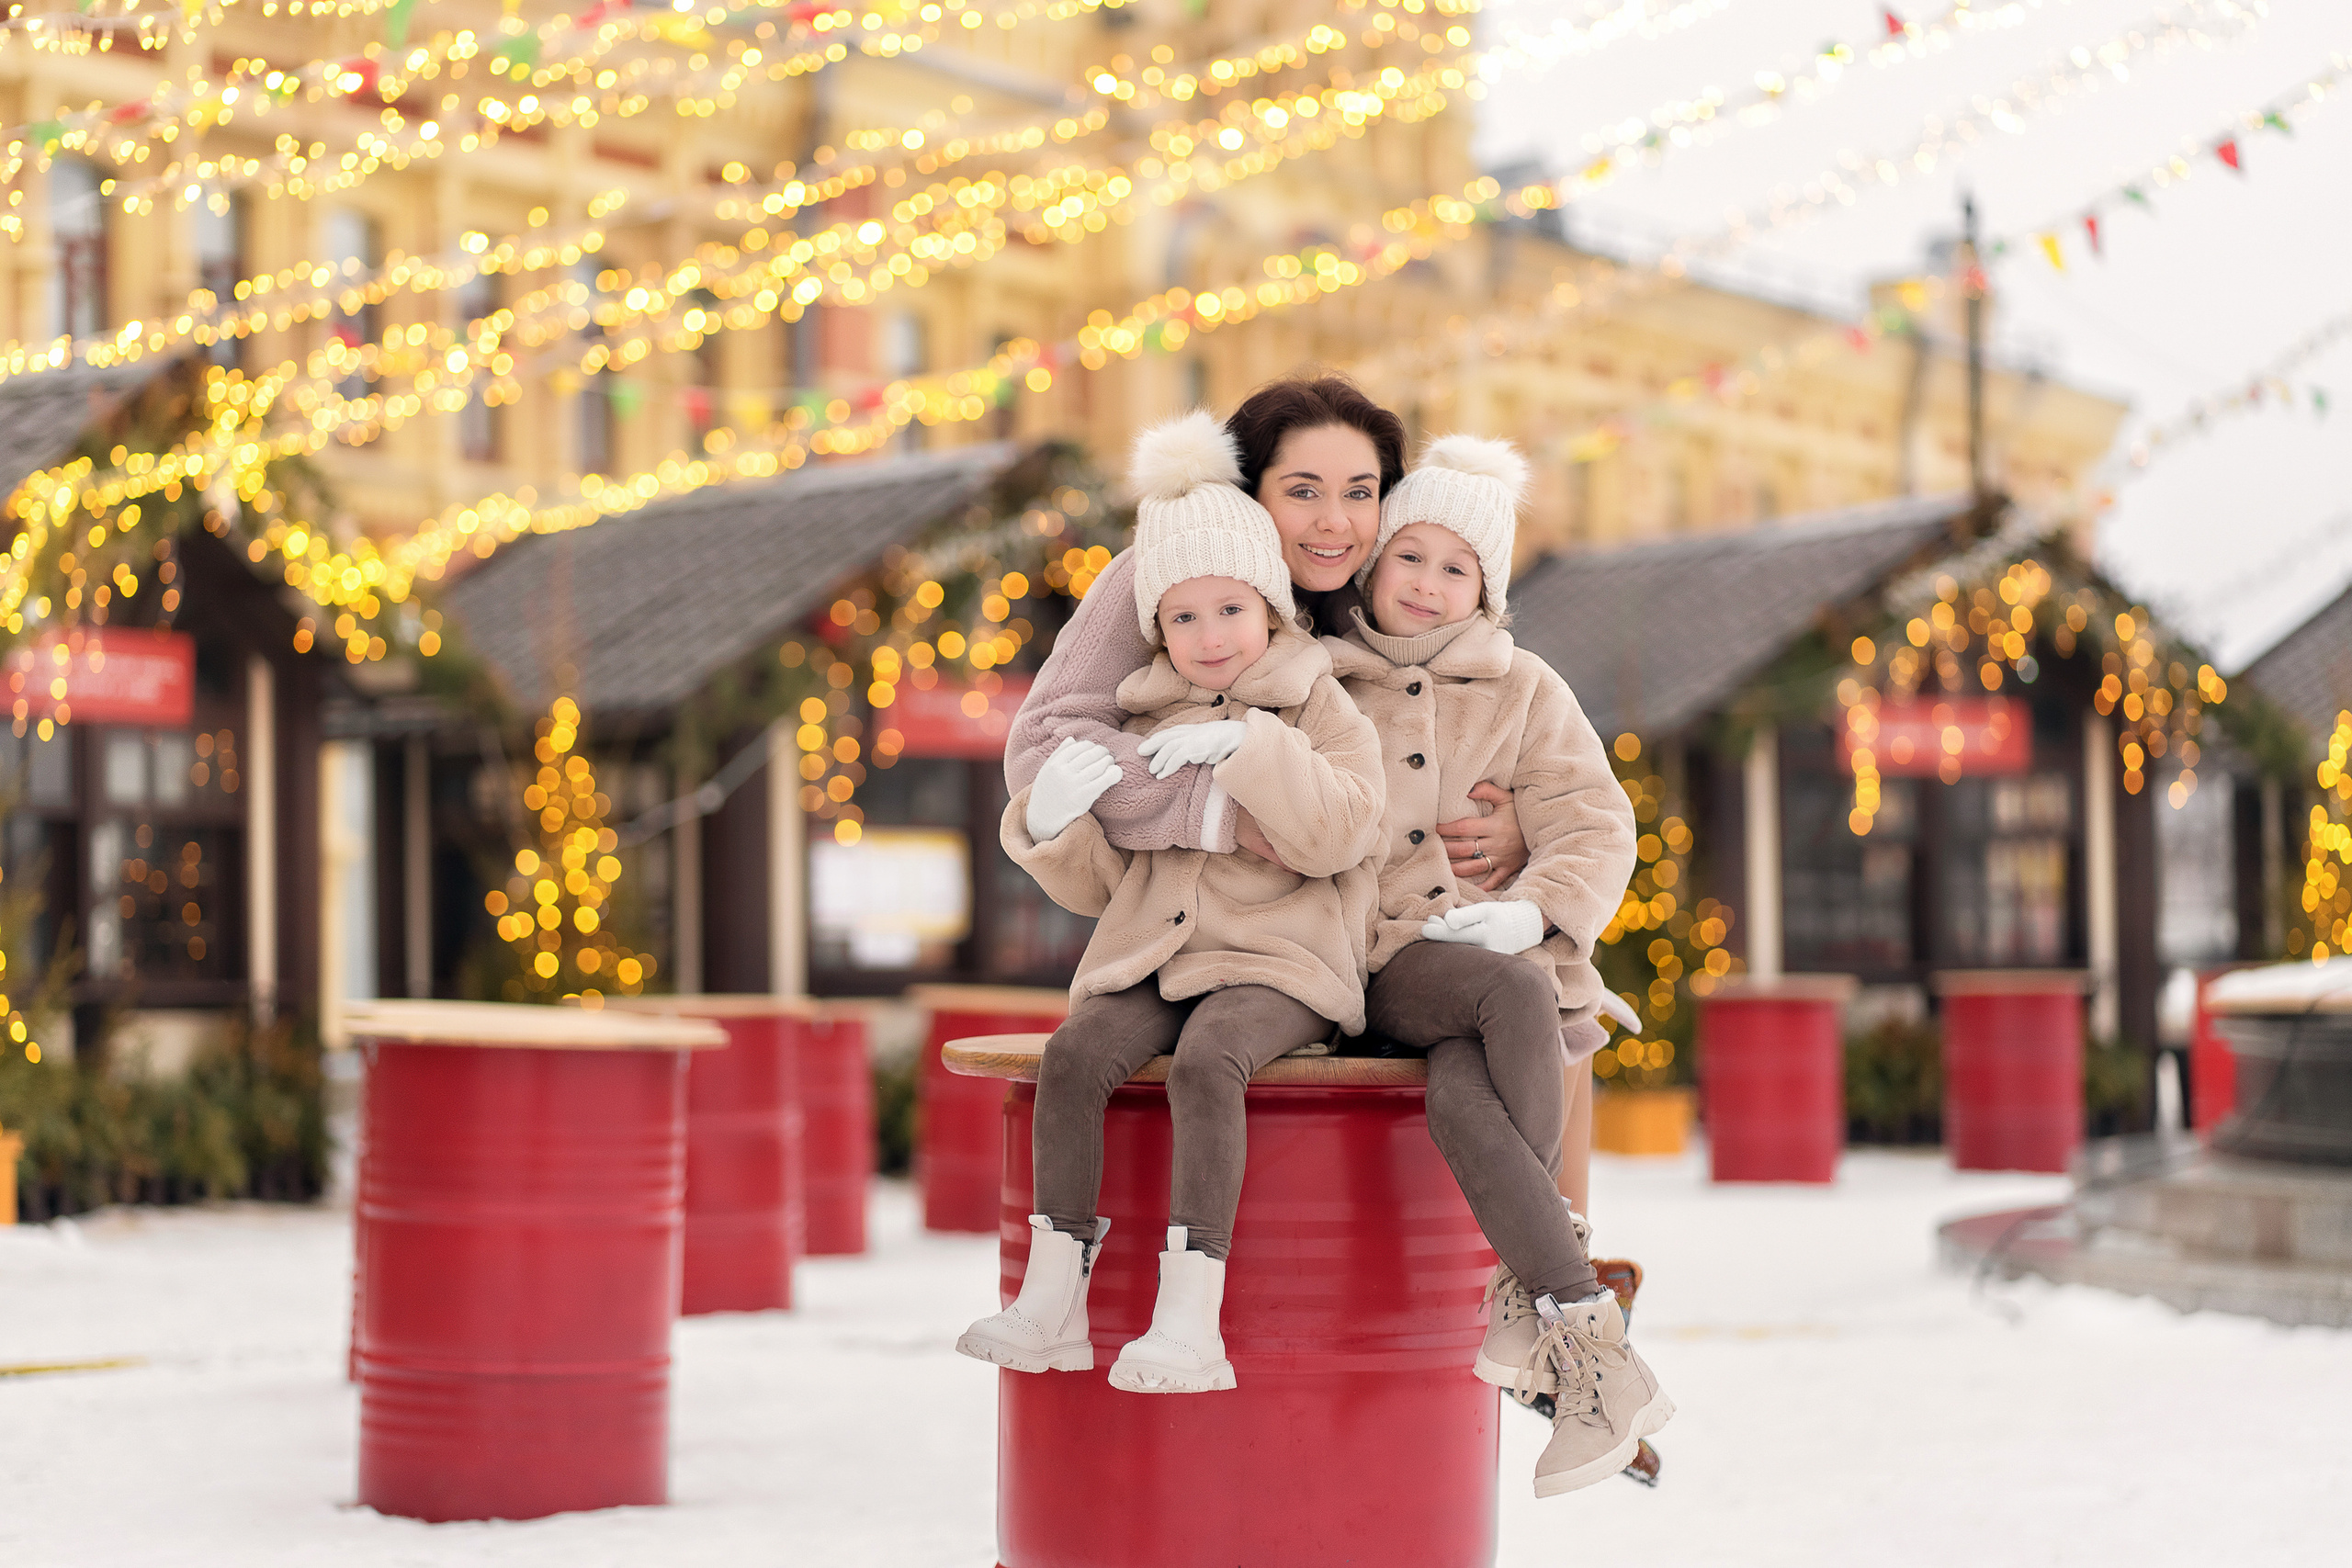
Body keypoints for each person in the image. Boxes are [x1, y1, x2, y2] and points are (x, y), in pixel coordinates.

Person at [956, 412, 1385, 1394]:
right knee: (1075, 1055)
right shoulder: (1148, 720)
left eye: (1229, 612)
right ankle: (1052, 1298)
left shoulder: (1320, 705)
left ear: (1271, 610)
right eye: (1181, 620)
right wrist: (1056, 823)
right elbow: (1108, 883)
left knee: (1208, 1060)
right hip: (1158, 957)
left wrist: (1254, 753)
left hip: (1280, 963)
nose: (1207, 637)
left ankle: (1191, 1315)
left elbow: (1343, 832)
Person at [1326, 433, 1672, 1496]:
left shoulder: (1523, 687)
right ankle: (1571, 1312)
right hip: (1388, 965)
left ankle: (1563, 1327)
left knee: (1466, 1102)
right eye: (1409, 557)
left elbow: (1594, 821)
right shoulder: (1319, 680)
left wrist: (1534, 912)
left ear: (1488, 587)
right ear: (1374, 562)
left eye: (1456, 567)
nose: (1428, 585)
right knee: (1511, 993)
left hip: (1501, 982)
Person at [1005, 374, 1532, 893]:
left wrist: (1524, 827)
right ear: (1249, 492)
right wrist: (1218, 803)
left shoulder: (1399, 587)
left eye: (1358, 493)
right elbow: (1042, 745)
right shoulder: (1173, 574)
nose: (1335, 521)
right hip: (1193, 917)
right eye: (1304, 491)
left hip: (1367, 931)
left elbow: (1461, 734)